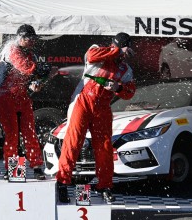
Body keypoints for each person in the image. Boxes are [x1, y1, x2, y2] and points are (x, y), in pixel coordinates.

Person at [56, 32, 136, 203]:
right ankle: (62, 182)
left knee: (105, 148)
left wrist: (118, 88)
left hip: (103, 108)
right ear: (114, 46)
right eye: (123, 52)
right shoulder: (97, 51)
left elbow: (130, 92)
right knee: (73, 142)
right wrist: (117, 51)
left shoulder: (127, 70)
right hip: (83, 102)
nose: (124, 57)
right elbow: (91, 56)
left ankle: (105, 186)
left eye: (127, 53)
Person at [0, 24, 54, 180]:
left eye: (34, 39)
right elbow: (27, 68)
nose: (33, 42)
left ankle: (37, 167)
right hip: (6, 97)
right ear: (21, 38)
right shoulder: (12, 50)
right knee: (12, 135)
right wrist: (46, 69)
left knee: (30, 132)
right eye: (30, 39)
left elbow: (31, 79)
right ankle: (11, 169)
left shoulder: (30, 54)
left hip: (22, 97)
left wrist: (36, 84)